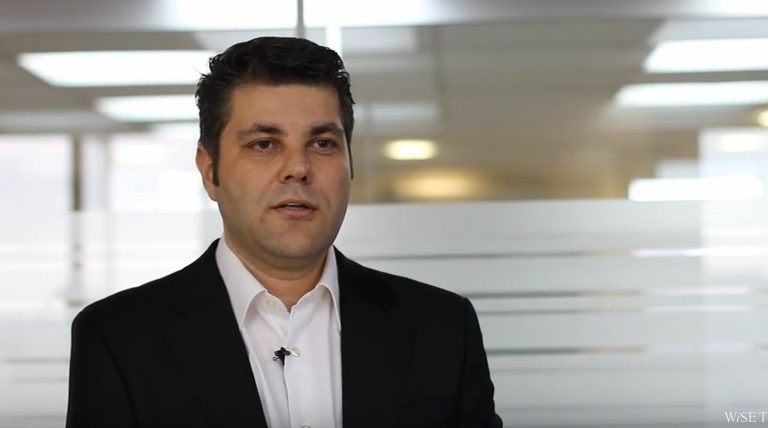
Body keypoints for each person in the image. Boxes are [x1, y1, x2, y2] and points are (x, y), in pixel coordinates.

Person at [66, 36, 502, 428]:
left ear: (349, 165)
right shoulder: (120, 337)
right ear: (210, 170)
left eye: (322, 144)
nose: (298, 168)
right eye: (264, 144)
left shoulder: (441, 327)